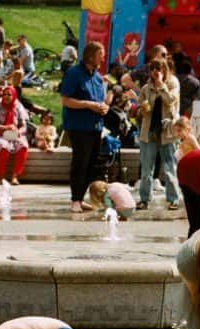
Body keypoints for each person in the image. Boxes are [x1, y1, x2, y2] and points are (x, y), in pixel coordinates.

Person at [61, 42, 110, 214]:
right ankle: (75, 199)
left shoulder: (97, 77)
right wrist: (89, 105)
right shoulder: (74, 73)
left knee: (92, 164)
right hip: (79, 126)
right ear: (90, 56)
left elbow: (99, 101)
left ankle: (81, 198)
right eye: (100, 55)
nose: (102, 58)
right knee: (80, 163)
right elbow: (66, 100)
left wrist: (104, 107)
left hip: (95, 126)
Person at [136, 57, 181, 211]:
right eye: (153, 68)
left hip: (167, 132)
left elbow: (170, 101)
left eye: (159, 68)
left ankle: (173, 199)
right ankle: (144, 199)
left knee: (170, 168)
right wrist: (141, 108)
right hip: (148, 132)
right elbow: (141, 107)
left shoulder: (172, 84)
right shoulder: (146, 88)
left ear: (164, 70)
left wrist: (161, 85)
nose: (155, 71)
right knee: (146, 169)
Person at [0, 86, 29, 185]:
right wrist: (4, 127)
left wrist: (19, 132)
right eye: (4, 94)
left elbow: (24, 126)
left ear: (14, 95)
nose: (6, 97)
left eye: (9, 94)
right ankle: (1, 177)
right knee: (4, 147)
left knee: (23, 146)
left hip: (13, 134)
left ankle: (15, 176)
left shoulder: (18, 106)